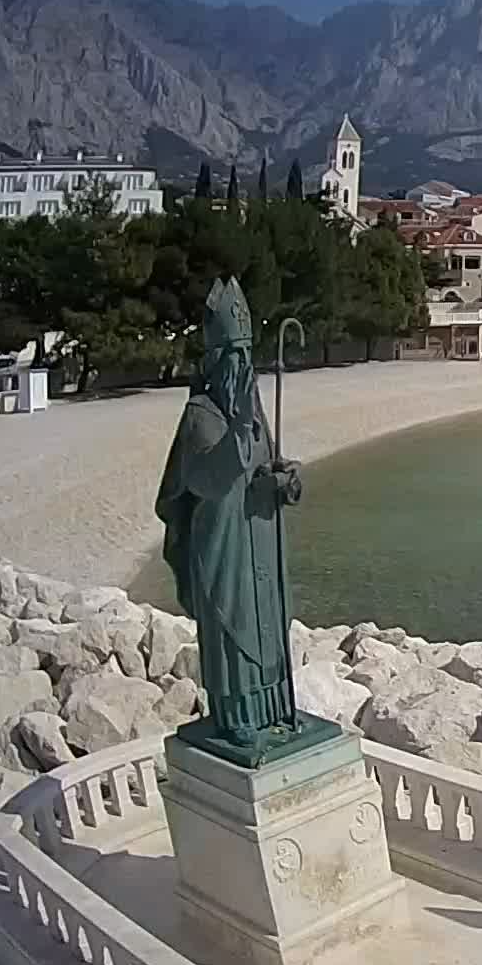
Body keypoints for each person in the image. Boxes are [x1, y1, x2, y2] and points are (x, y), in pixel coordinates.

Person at [154, 277, 305, 751]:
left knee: (267, 628)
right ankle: (236, 715)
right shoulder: (201, 415)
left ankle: (275, 707)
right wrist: (239, 432)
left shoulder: (254, 414)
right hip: (224, 549)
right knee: (233, 630)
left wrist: (286, 481)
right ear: (216, 362)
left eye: (247, 358)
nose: (242, 369)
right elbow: (210, 479)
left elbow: (267, 466)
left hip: (257, 538)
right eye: (233, 359)